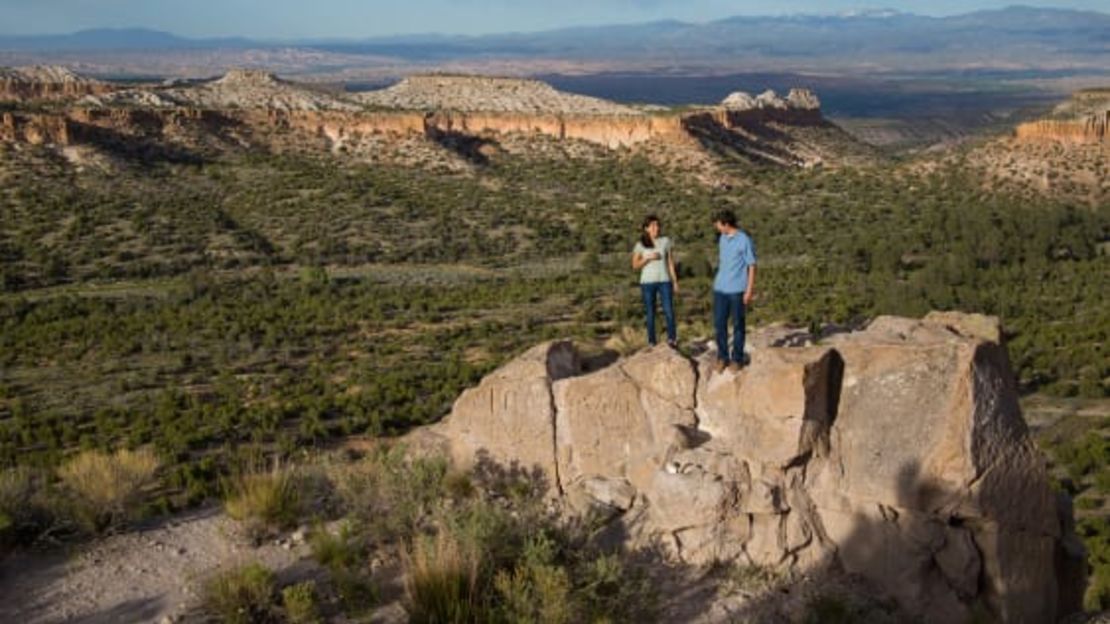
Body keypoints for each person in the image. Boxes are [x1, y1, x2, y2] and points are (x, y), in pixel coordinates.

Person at [712, 209, 757, 372]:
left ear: (725, 224)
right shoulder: (722, 238)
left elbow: (751, 265)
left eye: (717, 224)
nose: (716, 227)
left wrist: (749, 290)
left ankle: (737, 359)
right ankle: (722, 357)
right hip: (720, 288)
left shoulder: (744, 240)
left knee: (738, 325)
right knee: (719, 324)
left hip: (737, 289)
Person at [631, 214, 679, 347]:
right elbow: (635, 265)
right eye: (653, 225)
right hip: (647, 283)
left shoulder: (666, 241)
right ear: (646, 228)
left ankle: (672, 339)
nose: (656, 228)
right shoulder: (640, 244)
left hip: (664, 281)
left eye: (657, 225)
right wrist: (648, 258)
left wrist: (675, 281)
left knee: (669, 310)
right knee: (650, 312)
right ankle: (651, 341)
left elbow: (670, 262)